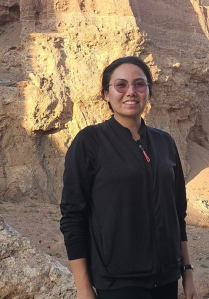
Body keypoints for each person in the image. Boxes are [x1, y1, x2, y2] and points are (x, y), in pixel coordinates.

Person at [60, 56, 199, 299]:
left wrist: (187, 274)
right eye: (121, 85)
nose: (131, 92)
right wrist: (83, 288)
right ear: (106, 94)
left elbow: (178, 215)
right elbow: (73, 216)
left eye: (139, 84)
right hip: (118, 284)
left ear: (148, 92)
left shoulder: (165, 142)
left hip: (167, 281)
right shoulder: (90, 141)